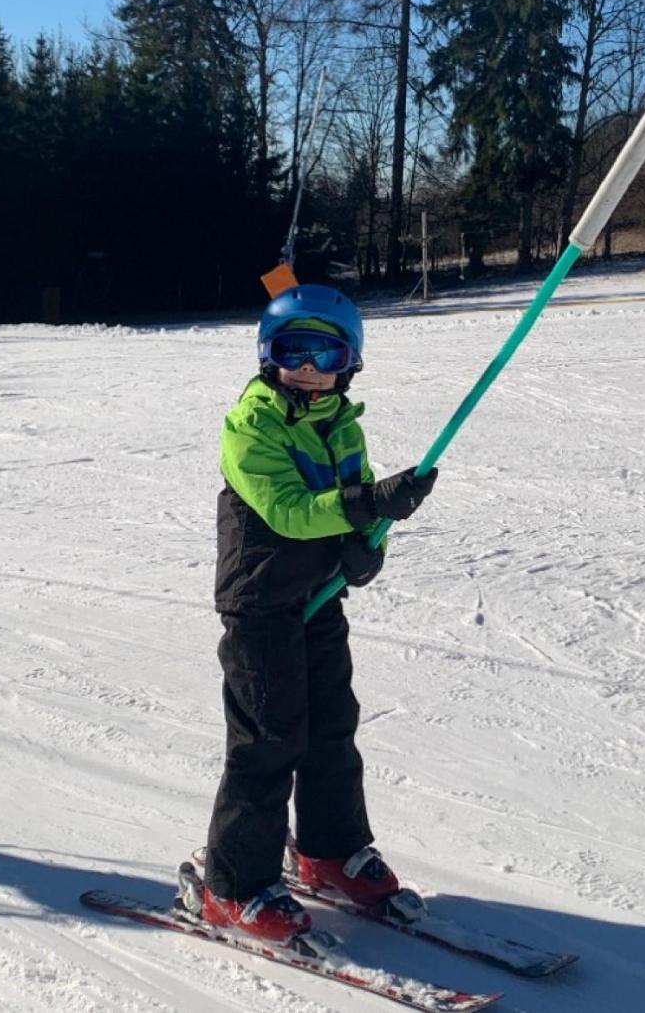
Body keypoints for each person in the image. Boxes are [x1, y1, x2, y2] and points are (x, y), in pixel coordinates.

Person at [183, 285, 437, 945]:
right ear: (269, 356)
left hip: (316, 598)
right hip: (261, 604)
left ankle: (329, 851)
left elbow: (360, 509)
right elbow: (291, 511)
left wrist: (369, 540)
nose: (306, 365)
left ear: (346, 362)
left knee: (330, 725)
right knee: (268, 741)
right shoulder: (252, 425)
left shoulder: (341, 426)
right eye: (292, 350)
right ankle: (233, 885)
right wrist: (363, 505)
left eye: (323, 352)